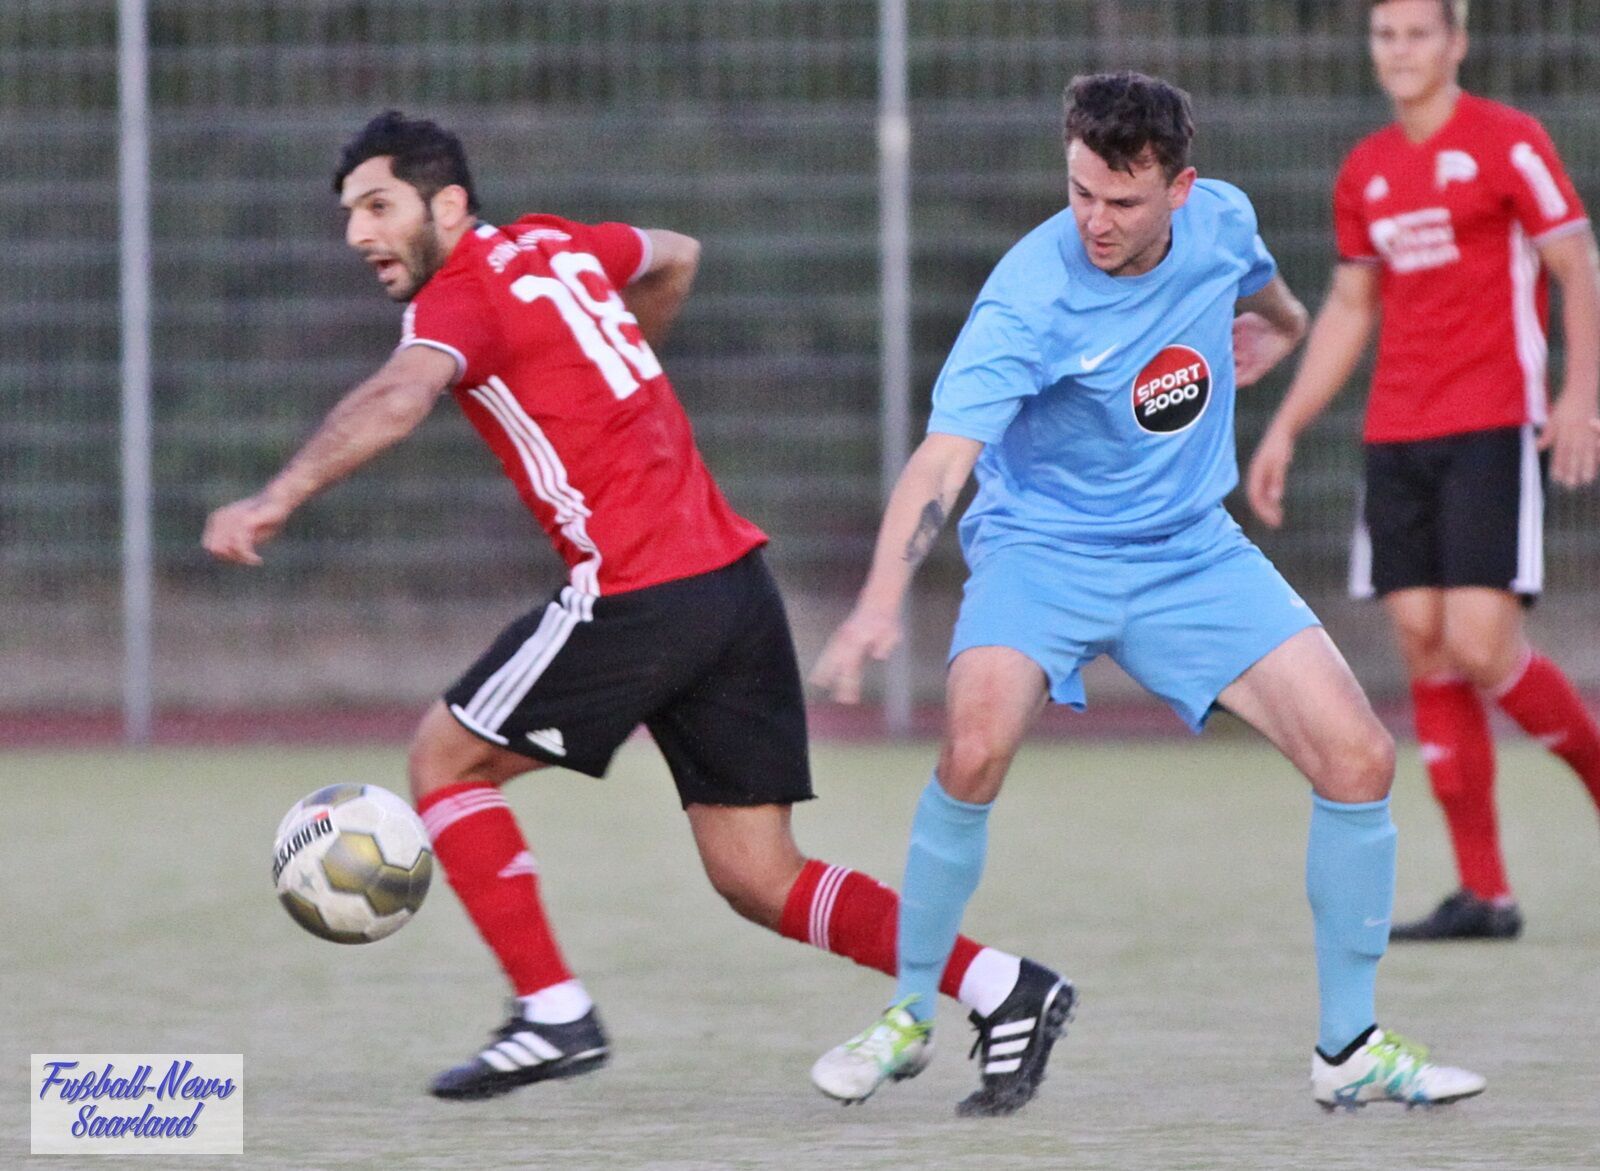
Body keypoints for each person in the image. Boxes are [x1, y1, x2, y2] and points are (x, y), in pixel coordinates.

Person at [202, 110, 1049, 1102]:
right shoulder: (559, 245)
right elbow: (676, 254)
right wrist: (623, 357)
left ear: (449, 204)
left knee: (443, 758)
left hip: (638, 591)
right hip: (733, 587)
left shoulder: (459, 295)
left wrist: (274, 497)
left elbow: (398, 396)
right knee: (756, 873)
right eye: (350, 214)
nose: (359, 233)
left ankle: (551, 1010)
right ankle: (1005, 985)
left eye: (378, 207)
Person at [808, 71, 1487, 1114]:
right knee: (973, 744)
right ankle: (907, 1014)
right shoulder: (1029, 293)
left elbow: (1262, 284)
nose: (1095, 220)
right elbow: (945, 459)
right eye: (1079, 192)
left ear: (1180, 189)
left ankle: (1348, 1048)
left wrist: (1285, 326)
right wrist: (876, 599)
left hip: (1187, 553)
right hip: (1041, 552)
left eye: (1122, 201)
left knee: (1359, 757)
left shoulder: (1220, 223)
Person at [1246, 0, 1600, 941]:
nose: (1399, 51)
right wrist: (1285, 425)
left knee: (1482, 644)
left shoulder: (1509, 142)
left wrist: (1577, 396)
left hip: (1490, 425)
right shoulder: (1367, 168)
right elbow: (1354, 305)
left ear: (1457, 42)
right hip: (1396, 432)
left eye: (1417, 34)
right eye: (1385, 35)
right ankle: (1485, 892)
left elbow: (1576, 265)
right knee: (1423, 641)